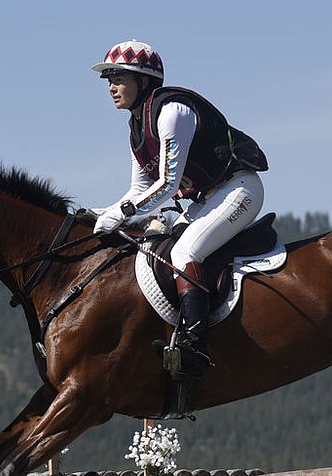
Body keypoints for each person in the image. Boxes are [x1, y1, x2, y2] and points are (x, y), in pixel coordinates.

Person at [91, 39, 268, 378]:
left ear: (143, 81)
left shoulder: (171, 111)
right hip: (210, 197)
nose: (111, 87)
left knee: (186, 249)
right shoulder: (136, 128)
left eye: (118, 78)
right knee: (161, 245)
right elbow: (139, 190)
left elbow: (168, 185)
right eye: (108, 80)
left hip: (239, 189)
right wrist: (103, 213)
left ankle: (194, 343)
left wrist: (120, 214)